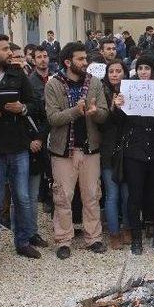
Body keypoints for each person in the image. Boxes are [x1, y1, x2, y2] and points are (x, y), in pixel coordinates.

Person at [0, 34, 39, 266]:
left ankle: (22, 242)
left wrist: (22, 108)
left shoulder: (17, 74)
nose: (10, 53)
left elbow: (33, 104)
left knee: (22, 197)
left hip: (18, 145)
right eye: (4, 49)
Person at [45, 41, 109, 259]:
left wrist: (94, 113)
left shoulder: (95, 83)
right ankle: (63, 240)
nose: (85, 63)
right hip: (64, 151)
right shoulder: (53, 85)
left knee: (92, 195)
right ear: (67, 62)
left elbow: (104, 113)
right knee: (63, 197)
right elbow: (52, 118)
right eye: (81, 59)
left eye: (86, 59)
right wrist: (76, 111)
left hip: (90, 149)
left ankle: (94, 238)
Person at [112, 55, 154, 254]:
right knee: (135, 196)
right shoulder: (129, 90)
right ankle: (136, 238)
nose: (143, 72)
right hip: (135, 150)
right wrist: (118, 107)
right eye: (140, 68)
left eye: (147, 68)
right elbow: (117, 122)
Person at [99, 59, 131, 250]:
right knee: (112, 195)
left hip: (128, 149)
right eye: (111, 71)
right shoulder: (101, 92)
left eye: (118, 71)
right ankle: (113, 232)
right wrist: (112, 107)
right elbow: (101, 123)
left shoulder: (133, 92)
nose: (115, 74)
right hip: (109, 149)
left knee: (127, 194)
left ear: (125, 73)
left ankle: (127, 227)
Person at [26, 46, 52, 248]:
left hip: (55, 133)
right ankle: (28, 232)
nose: (42, 60)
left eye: (45, 56)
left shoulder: (55, 78)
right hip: (37, 137)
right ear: (33, 60)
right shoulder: (29, 82)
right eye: (39, 57)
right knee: (29, 192)